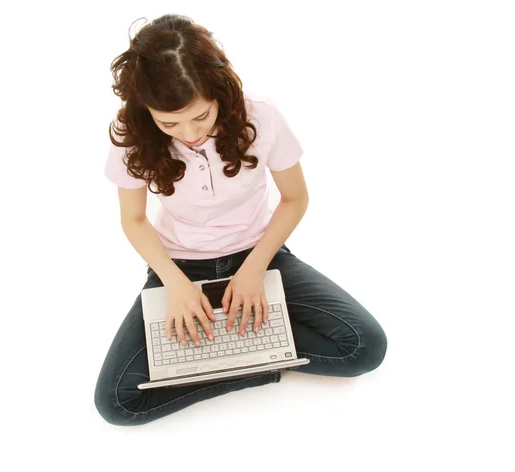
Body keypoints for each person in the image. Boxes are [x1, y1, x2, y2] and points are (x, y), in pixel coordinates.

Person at [94, 14, 387, 427]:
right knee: (117, 404)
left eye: (200, 116)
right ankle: (256, 365)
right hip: (177, 265)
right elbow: (134, 220)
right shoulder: (131, 132)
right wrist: (175, 284)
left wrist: (253, 270)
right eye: (169, 123)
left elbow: (295, 198)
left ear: (218, 91)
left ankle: (232, 357)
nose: (189, 134)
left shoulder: (261, 118)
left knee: (365, 348)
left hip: (260, 254)